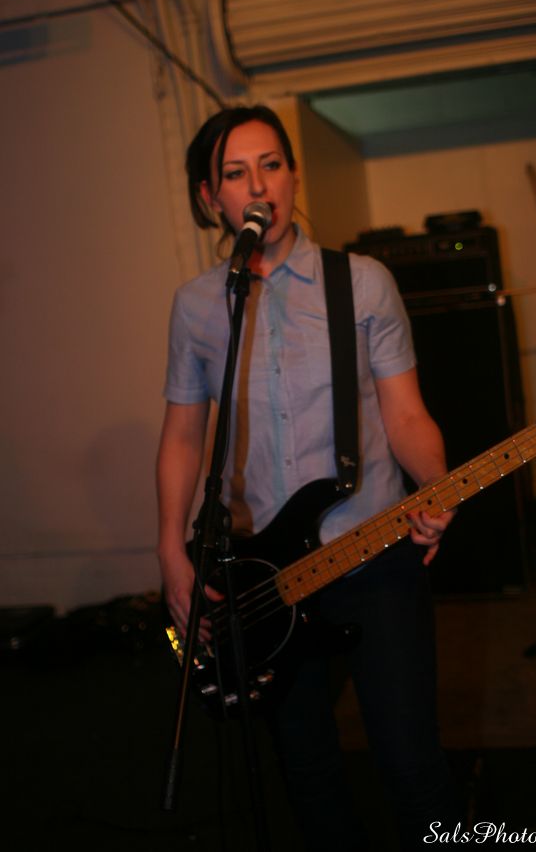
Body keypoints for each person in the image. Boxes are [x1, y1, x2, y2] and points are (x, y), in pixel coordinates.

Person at [156, 105, 457, 849]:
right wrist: (168, 547)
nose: (259, 185)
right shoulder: (197, 307)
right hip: (269, 575)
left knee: (411, 763)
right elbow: (183, 436)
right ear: (210, 199)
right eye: (236, 173)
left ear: (293, 176)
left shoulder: (363, 283)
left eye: (271, 165)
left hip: (375, 550)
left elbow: (406, 414)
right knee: (307, 771)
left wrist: (437, 485)